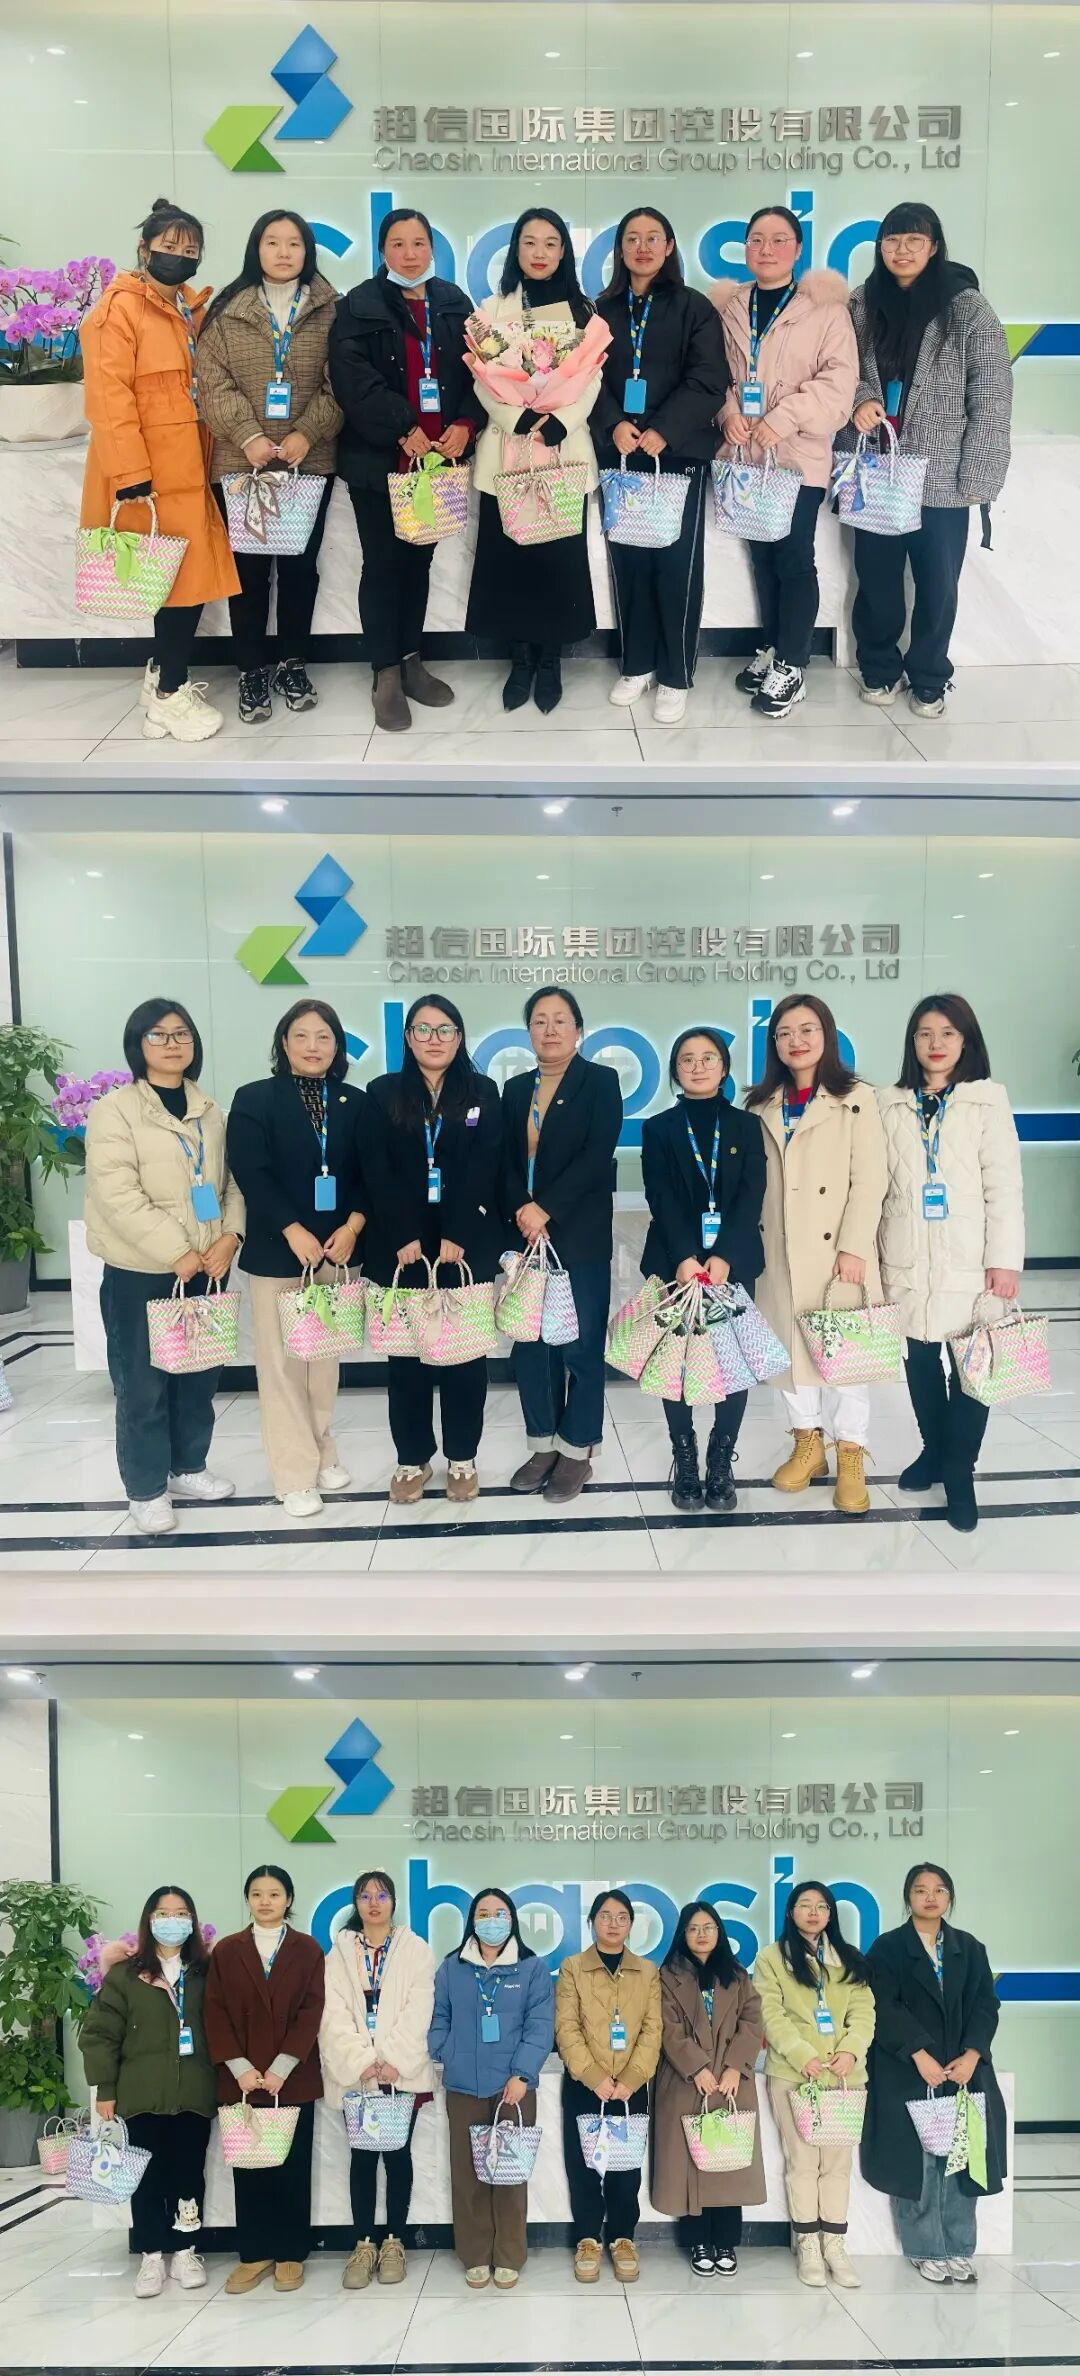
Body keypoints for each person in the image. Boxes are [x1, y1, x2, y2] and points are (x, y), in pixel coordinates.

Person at [79, 198, 239, 743]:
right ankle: (171, 695)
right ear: (143, 249)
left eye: (190, 250)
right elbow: (109, 399)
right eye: (169, 247)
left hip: (189, 464)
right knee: (177, 583)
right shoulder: (117, 311)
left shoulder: (189, 310)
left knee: (178, 576)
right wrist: (130, 475)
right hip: (150, 475)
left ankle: (159, 678)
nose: (180, 257)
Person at [84, 998, 243, 1536]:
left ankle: (188, 1467)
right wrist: (176, 1250)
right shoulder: (115, 1110)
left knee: (198, 1377)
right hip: (143, 1271)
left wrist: (231, 1237)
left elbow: (230, 1184)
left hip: (207, 1267)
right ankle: (147, 1489)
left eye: (181, 1034)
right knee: (143, 1384)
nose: (172, 1044)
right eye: (158, 1034)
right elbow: (117, 1193)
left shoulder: (209, 1110)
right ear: (138, 1044)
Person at [847, 204, 1013, 719]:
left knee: (938, 584)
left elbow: (992, 393)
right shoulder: (862, 302)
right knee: (876, 578)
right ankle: (878, 666)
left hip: (942, 472)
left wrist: (979, 473)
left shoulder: (968, 308)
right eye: (892, 240)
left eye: (913, 241)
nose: (901, 251)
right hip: (878, 465)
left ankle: (929, 676)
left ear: (934, 246)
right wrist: (860, 398)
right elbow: (840, 366)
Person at [329, 209, 481, 732]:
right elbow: (353, 380)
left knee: (419, 563)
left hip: (438, 460)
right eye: (398, 244)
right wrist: (401, 427)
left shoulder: (454, 302)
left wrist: (466, 424)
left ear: (433, 248)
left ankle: (412, 660)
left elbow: (482, 372)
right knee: (383, 565)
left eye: (419, 243)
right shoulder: (359, 305)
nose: (410, 254)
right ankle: (386, 674)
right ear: (382, 251)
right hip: (381, 459)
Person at [877, 994, 1024, 1533]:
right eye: (925, 1033)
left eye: (947, 1033)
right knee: (919, 1358)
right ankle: (933, 1450)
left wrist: (1004, 1260)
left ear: (966, 1041)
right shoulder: (889, 1103)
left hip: (971, 1257)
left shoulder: (987, 1100)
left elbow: (1004, 1187)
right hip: (906, 1254)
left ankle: (959, 1469)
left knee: (972, 1366)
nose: (935, 1044)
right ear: (912, 1042)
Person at [709, 207, 858, 719]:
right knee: (763, 557)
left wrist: (784, 418)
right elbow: (716, 374)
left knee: (793, 559)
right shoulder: (730, 306)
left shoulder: (826, 310)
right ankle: (775, 649)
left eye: (778, 240)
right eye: (756, 239)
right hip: (744, 454)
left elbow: (839, 382)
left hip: (796, 456)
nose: (766, 249)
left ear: (797, 249)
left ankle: (793, 666)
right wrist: (728, 411)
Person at [227, 1000, 372, 1517]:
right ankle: (293, 1475)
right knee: (282, 1365)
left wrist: (352, 1227)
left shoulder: (356, 1102)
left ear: (338, 1046)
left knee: (323, 1362)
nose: (314, 1046)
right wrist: (292, 1229)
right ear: (283, 1043)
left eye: (324, 1037)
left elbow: (373, 1174)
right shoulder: (255, 1098)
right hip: (278, 1250)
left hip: (338, 1250)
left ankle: (323, 1451)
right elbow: (251, 1170)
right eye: (302, 1036)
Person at [197, 210, 342, 724]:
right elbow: (212, 383)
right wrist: (248, 436)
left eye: (294, 243)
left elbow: (342, 382)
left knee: (300, 569)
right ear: (255, 249)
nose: (283, 252)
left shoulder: (334, 309)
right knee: (250, 572)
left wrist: (307, 432)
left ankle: (292, 662)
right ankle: (251, 669)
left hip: (310, 460)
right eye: (272, 242)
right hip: (241, 463)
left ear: (308, 251)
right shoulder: (227, 310)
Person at [747, 994, 888, 1514]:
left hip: (835, 1254)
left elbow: (870, 1180)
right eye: (785, 1033)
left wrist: (853, 1246)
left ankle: (850, 1452)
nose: (796, 1041)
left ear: (826, 1035)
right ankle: (808, 1443)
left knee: (845, 1357)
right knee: (787, 1353)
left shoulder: (856, 1098)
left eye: (807, 1029)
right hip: (778, 1249)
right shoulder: (760, 1103)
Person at [592, 209, 730, 723]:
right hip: (620, 452)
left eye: (653, 238)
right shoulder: (601, 310)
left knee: (676, 566)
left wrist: (665, 429)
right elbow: (586, 378)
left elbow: (709, 379)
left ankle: (675, 673)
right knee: (628, 562)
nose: (643, 247)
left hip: (677, 454)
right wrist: (613, 423)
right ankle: (638, 664)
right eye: (632, 238)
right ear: (620, 249)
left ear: (670, 246)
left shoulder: (694, 308)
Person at [363, 997, 501, 1504]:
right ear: (408, 1038)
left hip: (465, 1250)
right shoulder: (382, 1093)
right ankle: (412, 1459)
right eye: (423, 1029)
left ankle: (462, 1457)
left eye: (445, 1029)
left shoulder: (482, 1092)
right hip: (401, 1250)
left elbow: (487, 1165)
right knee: (407, 1363)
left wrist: (460, 1230)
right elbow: (375, 1169)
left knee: (465, 1360)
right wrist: (403, 1234)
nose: (434, 1038)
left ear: (459, 1037)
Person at [465, 209, 603, 715]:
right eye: (529, 242)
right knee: (510, 563)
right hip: (508, 450)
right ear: (516, 250)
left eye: (550, 243)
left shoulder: (584, 312)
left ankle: (550, 662)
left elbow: (592, 376)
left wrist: (562, 420)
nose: (540, 252)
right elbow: (481, 376)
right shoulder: (492, 310)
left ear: (564, 251)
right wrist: (515, 416)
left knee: (557, 564)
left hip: (563, 450)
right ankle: (520, 660)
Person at [502, 991, 624, 1503]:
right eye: (539, 1021)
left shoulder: (601, 1082)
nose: (550, 1030)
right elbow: (503, 1160)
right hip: (526, 1238)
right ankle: (542, 1444)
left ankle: (577, 1451)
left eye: (560, 1021)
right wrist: (522, 1209)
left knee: (580, 1346)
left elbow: (597, 1156)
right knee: (533, 1347)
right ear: (528, 1031)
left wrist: (545, 1209)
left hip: (579, 1236)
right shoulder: (514, 1089)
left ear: (578, 1029)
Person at [641, 1027, 767, 1513]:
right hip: (675, 1264)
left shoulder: (745, 1125)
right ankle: (686, 1457)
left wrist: (726, 1254)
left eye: (708, 1057)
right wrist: (684, 1257)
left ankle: (720, 1459)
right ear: (675, 1070)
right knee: (677, 1363)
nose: (697, 1067)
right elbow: (660, 1196)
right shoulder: (658, 1128)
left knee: (732, 1364)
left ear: (724, 1067)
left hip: (732, 1266)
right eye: (687, 1059)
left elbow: (751, 1194)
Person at [862, 1863, 1007, 2284]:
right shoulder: (888, 1948)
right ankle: (925, 2248)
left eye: (939, 1890)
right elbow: (883, 2006)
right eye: (921, 1890)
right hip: (911, 2070)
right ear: (908, 1897)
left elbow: (986, 2005)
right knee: (921, 2164)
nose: (930, 1897)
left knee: (963, 2159)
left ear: (950, 1897)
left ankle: (959, 2247)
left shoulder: (969, 1948)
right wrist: (918, 2053)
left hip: (963, 2072)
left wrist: (973, 2054)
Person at [80, 1886, 215, 2300]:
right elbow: (100, 2033)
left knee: (188, 2175)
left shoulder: (206, 1972)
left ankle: (187, 2251)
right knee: (147, 2179)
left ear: (192, 1921)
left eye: (181, 1913)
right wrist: (105, 2087)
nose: (173, 1921)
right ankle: (152, 2255)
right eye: (163, 1913)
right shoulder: (126, 1974)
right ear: (149, 1920)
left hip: (193, 2092)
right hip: (140, 2095)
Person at [203, 1865, 325, 2295]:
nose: (266, 1901)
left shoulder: (307, 1949)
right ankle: (254, 2253)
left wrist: (281, 2068)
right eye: (257, 1894)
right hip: (243, 2081)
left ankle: (291, 2254)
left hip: (292, 2078)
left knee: (293, 2168)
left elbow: (312, 2010)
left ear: (288, 1899)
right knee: (250, 2169)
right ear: (248, 1900)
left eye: (274, 1893)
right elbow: (214, 2010)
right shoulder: (227, 1950)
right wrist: (240, 2068)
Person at [428, 1887, 554, 2291]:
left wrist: (522, 2075)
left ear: (512, 1920)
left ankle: (510, 2255)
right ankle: (475, 2254)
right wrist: (446, 2051)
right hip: (464, 2086)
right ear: (472, 1920)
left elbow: (540, 2026)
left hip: (513, 2088)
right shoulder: (452, 1968)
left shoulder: (532, 1968)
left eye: (500, 1913)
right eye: (483, 1913)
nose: (492, 1920)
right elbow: (439, 2017)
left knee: (510, 2176)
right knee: (468, 2175)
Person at [754, 1882, 875, 2291]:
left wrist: (851, 2051)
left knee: (837, 2165)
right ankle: (808, 2244)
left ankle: (835, 2246)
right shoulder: (772, 1958)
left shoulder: (849, 1958)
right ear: (790, 1912)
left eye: (821, 1906)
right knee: (803, 2161)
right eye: (804, 1905)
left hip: (843, 2078)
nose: (813, 1912)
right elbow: (770, 2013)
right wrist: (801, 2053)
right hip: (794, 2074)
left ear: (830, 1915)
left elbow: (864, 2013)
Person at [319, 1870, 436, 2290]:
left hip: (401, 2074)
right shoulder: (338, 1954)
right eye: (365, 1896)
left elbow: (420, 2010)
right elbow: (332, 2015)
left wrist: (394, 2062)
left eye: (382, 1895)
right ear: (356, 1903)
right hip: (359, 2077)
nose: (374, 1903)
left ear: (393, 1902)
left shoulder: (416, 1950)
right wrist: (363, 2062)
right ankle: (364, 2243)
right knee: (363, 2158)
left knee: (399, 2156)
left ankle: (394, 2242)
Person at [652, 1901, 766, 2277]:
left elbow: (752, 2021)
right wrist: (697, 2067)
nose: (702, 1935)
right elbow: (666, 2027)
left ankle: (726, 2241)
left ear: (719, 1933)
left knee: (727, 2161)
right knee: (691, 2165)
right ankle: (698, 2241)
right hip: (687, 2082)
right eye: (694, 1929)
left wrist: (735, 2066)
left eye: (709, 1928)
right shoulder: (666, 1976)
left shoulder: (737, 1974)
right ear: (682, 1934)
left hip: (731, 2083)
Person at [555, 1889, 662, 2285]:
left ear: (631, 1924)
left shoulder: (647, 1972)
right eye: (605, 1916)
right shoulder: (572, 1968)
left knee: (625, 2167)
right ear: (592, 1922)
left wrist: (631, 2079)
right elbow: (566, 2027)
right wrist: (594, 2076)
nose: (613, 1924)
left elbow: (653, 2029)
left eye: (621, 1917)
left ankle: (622, 2238)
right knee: (584, 2167)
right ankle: (587, 2239)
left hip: (631, 2088)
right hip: (586, 2085)